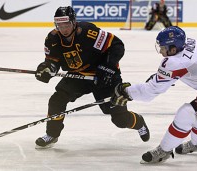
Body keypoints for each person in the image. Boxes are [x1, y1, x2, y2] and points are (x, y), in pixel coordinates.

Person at [111, 26, 197, 163]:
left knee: (187, 113)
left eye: (163, 48)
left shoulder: (175, 62)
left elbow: (150, 92)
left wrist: (126, 92)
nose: (161, 51)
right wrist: (166, 77)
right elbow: (188, 68)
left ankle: (164, 151)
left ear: (173, 49)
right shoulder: (188, 43)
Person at [34, 6, 150, 149]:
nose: (63, 29)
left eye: (66, 24)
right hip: (78, 75)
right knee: (57, 100)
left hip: (104, 76)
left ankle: (138, 121)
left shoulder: (89, 32)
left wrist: (107, 67)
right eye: (59, 25)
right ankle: (52, 134)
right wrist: (47, 69)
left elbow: (116, 45)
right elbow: (52, 61)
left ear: (74, 22)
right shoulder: (52, 39)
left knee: (118, 117)